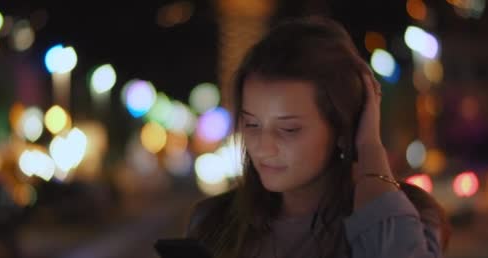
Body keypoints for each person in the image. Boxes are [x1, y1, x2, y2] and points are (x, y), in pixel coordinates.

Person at [185, 16, 450, 258]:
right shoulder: (213, 224)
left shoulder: (405, 215)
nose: (263, 148)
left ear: (342, 129)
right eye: (252, 124)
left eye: (289, 129)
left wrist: (369, 147)